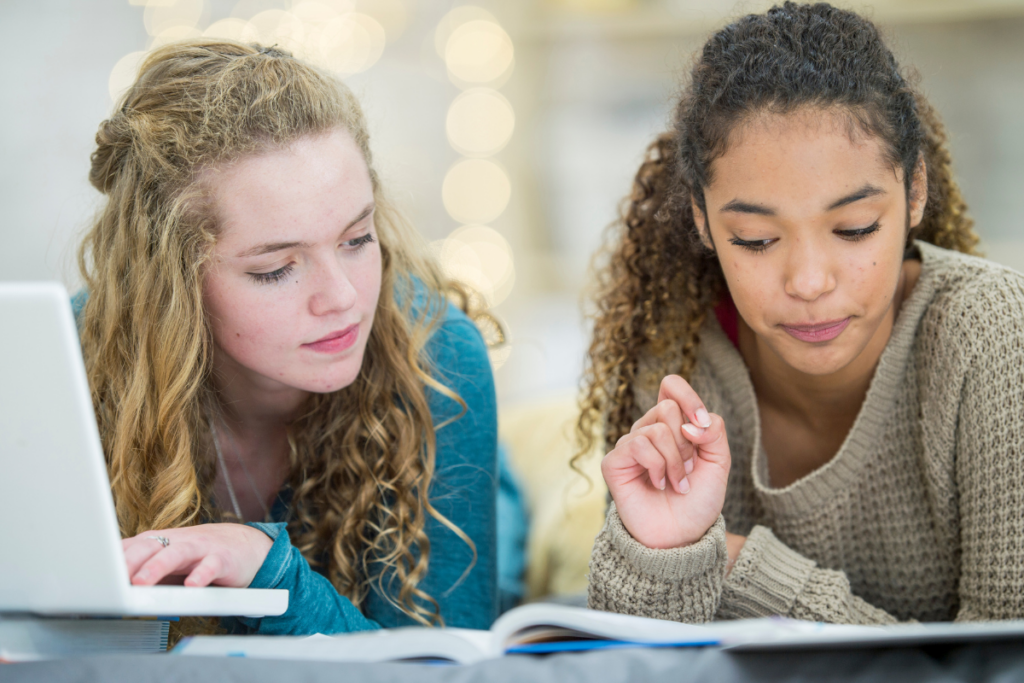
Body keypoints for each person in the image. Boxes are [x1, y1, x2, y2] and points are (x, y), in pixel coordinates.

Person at [579, 2, 1024, 624]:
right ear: (703, 222)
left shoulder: (993, 333)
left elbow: (999, 663)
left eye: (855, 228)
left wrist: (740, 570)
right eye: (756, 240)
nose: (809, 282)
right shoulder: (675, 361)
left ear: (915, 190)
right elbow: (637, 658)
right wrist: (664, 553)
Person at [74, 39, 498, 639]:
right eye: (275, 268)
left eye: (357, 239)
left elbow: (446, 664)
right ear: (169, 282)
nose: (344, 298)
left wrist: (268, 572)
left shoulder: (438, 357)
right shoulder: (68, 364)